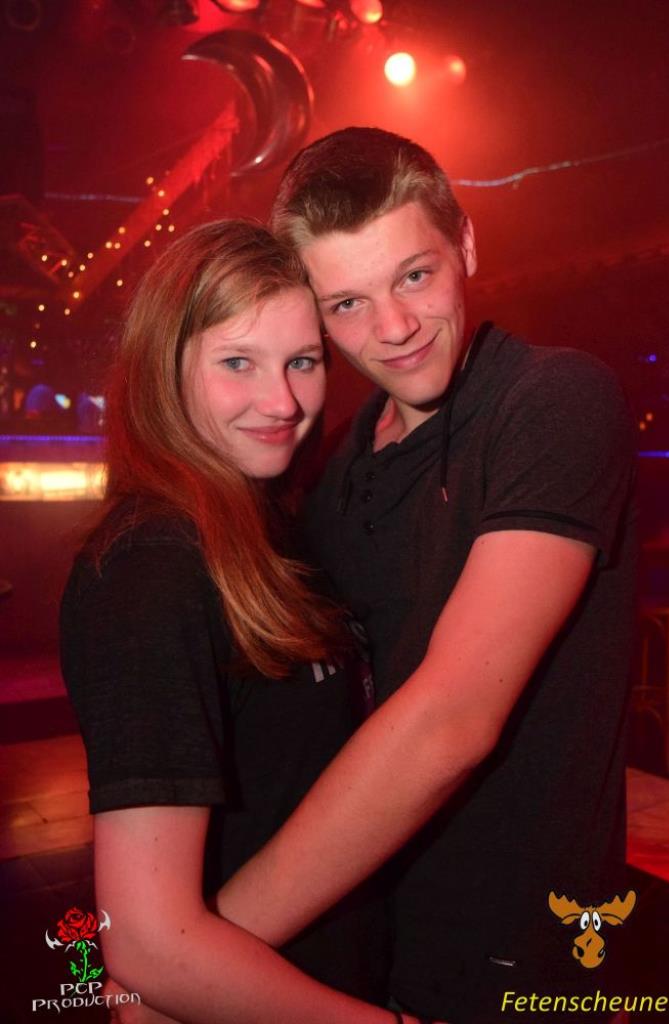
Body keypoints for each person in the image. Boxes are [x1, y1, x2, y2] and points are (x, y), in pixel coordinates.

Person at [205, 129, 637, 1023]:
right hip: (360, 942)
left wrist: (204, 952)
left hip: (531, 955)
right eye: (347, 303)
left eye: (413, 275)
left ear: (464, 243)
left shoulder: (550, 400)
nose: (392, 328)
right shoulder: (330, 462)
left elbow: (449, 719)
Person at [60, 218, 428, 1024]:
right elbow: (147, 946)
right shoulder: (152, 565)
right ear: (165, 369)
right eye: (237, 362)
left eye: (302, 361)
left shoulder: (261, 528)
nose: (283, 402)